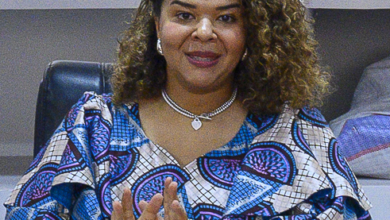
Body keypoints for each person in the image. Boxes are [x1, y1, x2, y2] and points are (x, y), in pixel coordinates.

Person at [4, 0, 372, 219]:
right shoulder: (93, 125)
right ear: (157, 25)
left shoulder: (298, 133)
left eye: (227, 17)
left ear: (253, 32)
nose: (204, 31)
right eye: (184, 15)